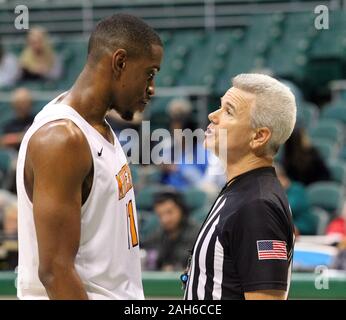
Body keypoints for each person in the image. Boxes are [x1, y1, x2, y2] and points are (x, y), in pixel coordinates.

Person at [16, 14, 163, 300]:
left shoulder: (97, 127)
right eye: (150, 73)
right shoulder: (61, 139)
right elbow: (55, 271)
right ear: (120, 62)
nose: (151, 88)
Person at [184, 73, 296, 300]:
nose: (213, 116)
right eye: (220, 106)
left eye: (229, 111)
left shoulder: (259, 206)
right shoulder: (241, 190)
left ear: (259, 136)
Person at [141, 190, 200, 271]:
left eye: (170, 212)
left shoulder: (197, 234)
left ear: (181, 210)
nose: (165, 219)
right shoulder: (158, 234)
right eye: (160, 215)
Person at [275, 163, 317, 235]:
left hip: (304, 232)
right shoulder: (277, 193)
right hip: (286, 235)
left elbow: (287, 209)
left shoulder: (297, 189)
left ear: (280, 177)